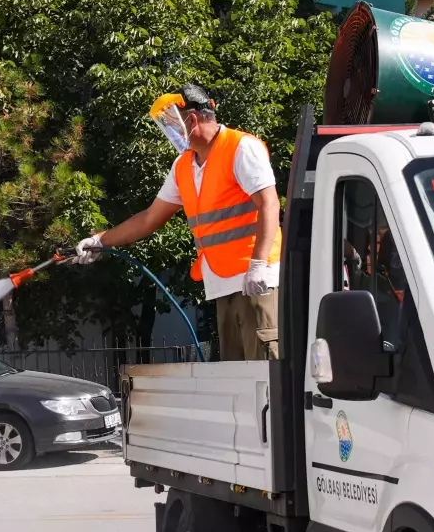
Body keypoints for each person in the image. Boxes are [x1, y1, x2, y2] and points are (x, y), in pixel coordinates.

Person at [74, 84, 283, 360]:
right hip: (223, 283)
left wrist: (258, 265)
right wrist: (100, 241)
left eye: (172, 122)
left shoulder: (241, 148)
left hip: (256, 280)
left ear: (193, 119)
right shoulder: (183, 166)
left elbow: (270, 203)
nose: (169, 131)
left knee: (266, 373)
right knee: (242, 381)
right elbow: (150, 218)